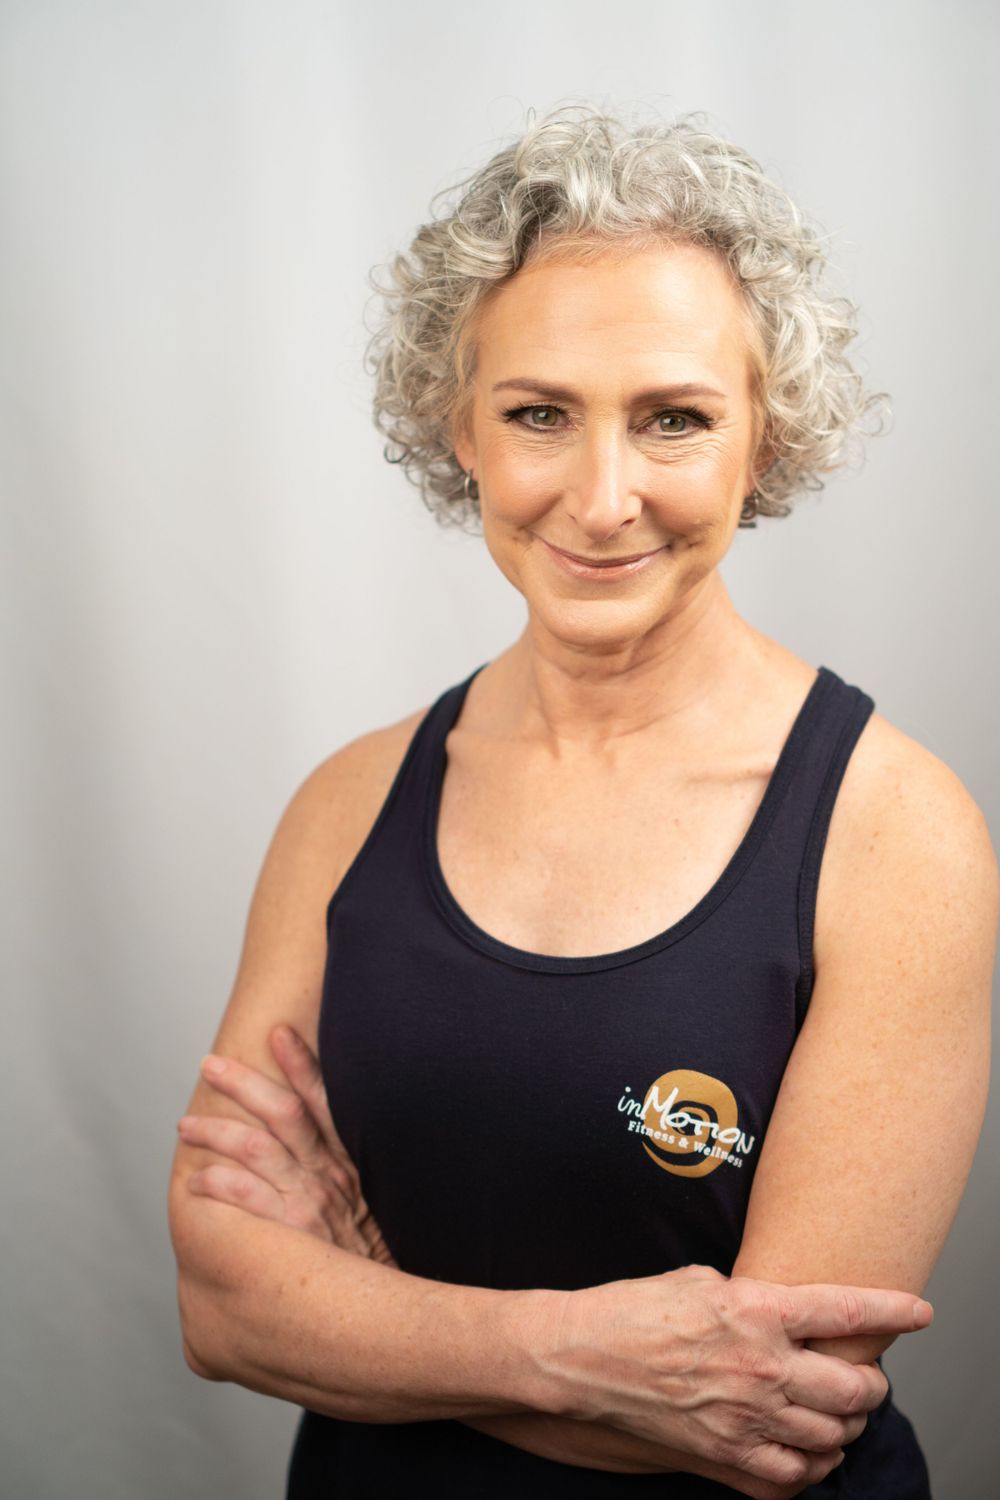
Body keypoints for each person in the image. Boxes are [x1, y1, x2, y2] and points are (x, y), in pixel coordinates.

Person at [167, 103, 998, 1499]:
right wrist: (587, 1354)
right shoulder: (349, 803)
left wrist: (376, 1318)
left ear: (765, 438)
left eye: (673, 419)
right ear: (462, 433)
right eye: (540, 414)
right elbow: (223, 1308)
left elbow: (773, 1420)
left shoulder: (893, 832)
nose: (603, 497)